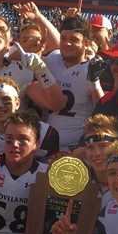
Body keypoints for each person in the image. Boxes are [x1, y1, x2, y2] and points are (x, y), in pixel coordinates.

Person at [42, 16, 104, 148]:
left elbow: (103, 110)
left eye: (74, 40)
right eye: (63, 38)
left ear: (86, 43)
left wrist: (94, 82)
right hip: (46, 143)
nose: (67, 44)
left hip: (75, 146)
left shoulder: (93, 68)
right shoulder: (53, 59)